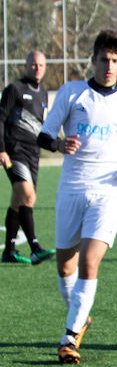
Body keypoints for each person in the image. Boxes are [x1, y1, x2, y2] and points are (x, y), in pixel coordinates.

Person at [36, 30, 117, 365]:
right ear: (93, 59)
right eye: (104, 60)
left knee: (89, 261)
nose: (109, 66)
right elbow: (44, 136)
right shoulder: (73, 93)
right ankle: (80, 317)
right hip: (72, 190)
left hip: (108, 192)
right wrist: (59, 144)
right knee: (65, 265)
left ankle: (69, 337)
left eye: (115, 60)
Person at [1, 51, 55, 265]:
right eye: (33, 64)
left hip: (32, 153)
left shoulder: (43, 93)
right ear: (26, 65)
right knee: (28, 195)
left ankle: (9, 252)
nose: (37, 68)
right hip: (14, 150)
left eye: (41, 65)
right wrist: (1, 149)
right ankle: (35, 248)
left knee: (18, 200)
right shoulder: (14, 89)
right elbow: (0, 118)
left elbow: (40, 126)